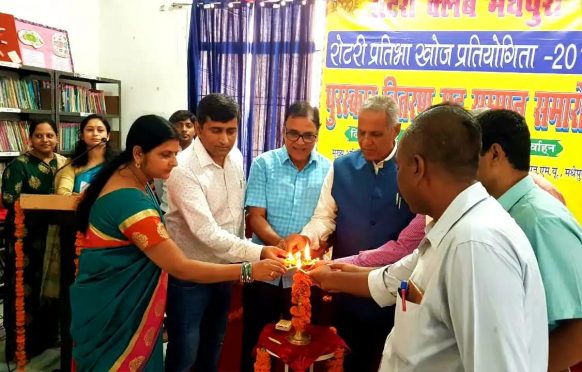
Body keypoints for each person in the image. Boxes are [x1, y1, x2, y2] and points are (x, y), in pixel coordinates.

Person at [309, 104, 548, 371]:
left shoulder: (475, 246)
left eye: (398, 167)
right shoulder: (448, 229)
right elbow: (398, 280)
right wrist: (335, 274)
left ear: (417, 167)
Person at [70, 115, 285, 371]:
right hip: (118, 311)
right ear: (139, 153)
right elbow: (180, 266)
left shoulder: (128, 177)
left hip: (110, 298)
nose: (174, 162)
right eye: (166, 155)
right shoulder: (130, 203)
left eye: (175, 153)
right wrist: (249, 268)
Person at [286, 95, 419, 371]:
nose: (366, 141)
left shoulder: (411, 170)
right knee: (344, 360)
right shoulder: (342, 167)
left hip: (394, 295)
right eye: (361, 133)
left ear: (396, 131)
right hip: (345, 290)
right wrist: (307, 238)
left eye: (376, 134)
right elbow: (324, 217)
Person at [164, 94, 287, 372]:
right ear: (198, 127)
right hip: (191, 276)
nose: (225, 140)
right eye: (216, 131)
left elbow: (235, 216)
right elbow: (206, 232)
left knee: (214, 345)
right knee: (185, 351)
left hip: (225, 273)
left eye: (231, 131)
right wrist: (259, 252)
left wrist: (241, 262)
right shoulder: (182, 169)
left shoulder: (236, 157)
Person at [475, 109, 582, 372]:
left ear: (495, 154)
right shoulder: (500, 211)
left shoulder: (540, 221)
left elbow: (578, 330)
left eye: (467, 155)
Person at [240, 101, 331, 372]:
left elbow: (327, 220)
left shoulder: (329, 169)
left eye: (308, 135)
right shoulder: (264, 164)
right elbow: (255, 217)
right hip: (265, 273)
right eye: (293, 133)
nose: (300, 142)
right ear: (283, 131)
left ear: (318, 134)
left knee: (302, 349)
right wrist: (280, 244)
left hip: (305, 279)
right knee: (257, 344)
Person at [1, 119, 67, 359]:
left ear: (57, 138)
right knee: (24, 289)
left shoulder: (64, 164)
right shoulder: (19, 165)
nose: (45, 140)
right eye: (39, 136)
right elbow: (9, 198)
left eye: (50, 135)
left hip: (54, 235)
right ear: (30, 139)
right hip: (25, 236)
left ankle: (49, 338)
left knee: (50, 288)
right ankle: (21, 348)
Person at [55, 114, 115, 195]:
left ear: (107, 136)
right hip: (78, 206)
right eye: (90, 130)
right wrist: (81, 198)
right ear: (82, 136)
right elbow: (62, 192)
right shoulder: (72, 163)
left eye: (100, 130)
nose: (95, 133)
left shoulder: (116, 163)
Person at [155, 110, 197, 213]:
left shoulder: (200, 154)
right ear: (171, 128)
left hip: (192, 213)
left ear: (196, 129)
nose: (184, 129)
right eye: (179, 125)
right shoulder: (163, 151)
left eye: (188, 126)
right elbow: (159, 184)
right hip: (167, 211)